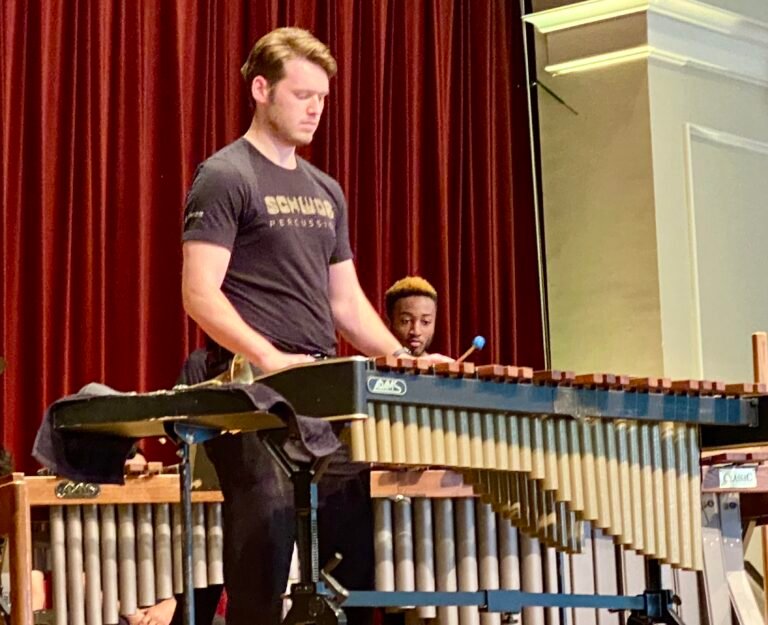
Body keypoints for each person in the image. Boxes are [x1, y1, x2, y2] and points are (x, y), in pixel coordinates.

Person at [180, 27, 451, 625]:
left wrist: (401, 359)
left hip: (322, 389)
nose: (315, 109)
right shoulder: (227, 176)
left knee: (348, 560)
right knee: (265, 554)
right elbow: (199, 293)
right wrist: (270, 357)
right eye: (302, 95)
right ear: (260, 89)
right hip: (250, 390)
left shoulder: (326, 191)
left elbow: (347, 304)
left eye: (322, 98)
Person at [384, 276, 439, 357]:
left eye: (425, 322)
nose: (416, 332)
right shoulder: (367, 367)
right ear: (388, 322)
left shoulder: (442, 368)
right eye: (406, 321)